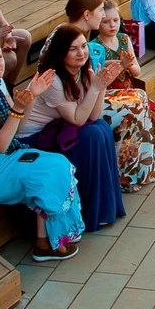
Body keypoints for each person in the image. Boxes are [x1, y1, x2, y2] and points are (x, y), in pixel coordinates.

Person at [0, 35, 82, 261]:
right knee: (45, 173)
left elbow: (18, 128)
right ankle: (50, 243)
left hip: (0, 160)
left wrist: (32, 94)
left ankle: (46, 240)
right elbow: (1, 144)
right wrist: (18, 107)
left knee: (57, 164)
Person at [20, 22, 124, 230]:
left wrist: (101, 85)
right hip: (34, 138)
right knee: (93, 134)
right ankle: (89, 211)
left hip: (57, 129)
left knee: (100, 127)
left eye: (84, 46)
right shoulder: (53, 79)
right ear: (61, 53)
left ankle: (104, 207)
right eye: (73, 49)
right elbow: (77, 119)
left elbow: (93, 116)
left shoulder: (83, 70)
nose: (81, 52)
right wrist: (95, 88)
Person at [92, 0, 155, 185]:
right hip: (110, 91)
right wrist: (117, 65)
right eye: (106, 21)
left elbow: (136, 70)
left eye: (115, 20)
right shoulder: (95, 46)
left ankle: (149, 150)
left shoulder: (123, 39)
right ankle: (129, 161)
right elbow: (100, 76)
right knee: (130, 119)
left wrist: (128, 65)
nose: (112, 25)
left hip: (129, 87)